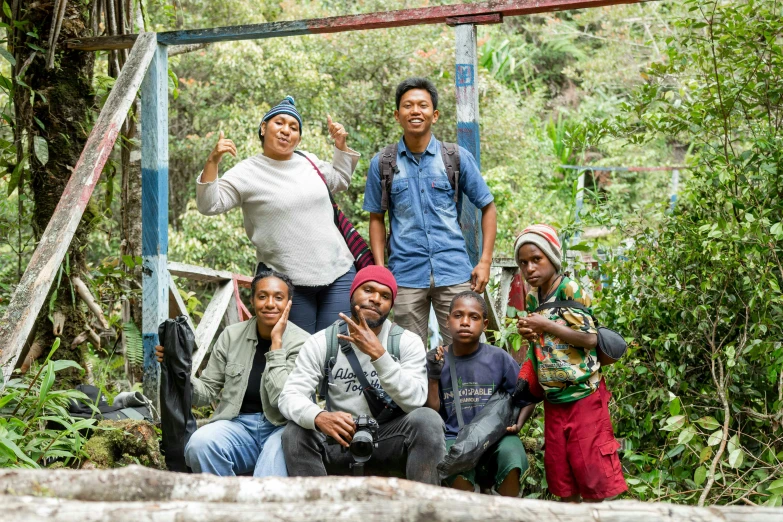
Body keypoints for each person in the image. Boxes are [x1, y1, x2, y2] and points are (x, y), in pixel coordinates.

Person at [196, 95, 360, 334]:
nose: (286, 131)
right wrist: (213, 161)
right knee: (298, 356)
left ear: (299, 137)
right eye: (279, 123)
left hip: (339, 272)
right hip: (286, 281)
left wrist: (341, 146)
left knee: (334, 350)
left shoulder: (308, 161)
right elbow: (210, 205)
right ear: (263, 128)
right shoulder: (247, 172)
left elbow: (341, 180)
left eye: (293, 127)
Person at [362, 77, 497, 349]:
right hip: (405, 276)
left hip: (455, 272)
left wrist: (484, 262)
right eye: (407, 105)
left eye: (422, 105)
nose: (415, 111)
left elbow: (488, 206)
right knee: (408, 356)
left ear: (434, 115)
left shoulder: (455, 157)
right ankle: (423, 395)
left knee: (464, 351)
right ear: (397, 115)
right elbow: (376, 217)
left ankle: (461, 395)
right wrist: (379, 268)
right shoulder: (383, 163)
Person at [279, 265, 445, 483]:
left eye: (385, 296)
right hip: (342, 438)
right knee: (295, 434)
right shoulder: (322, 342)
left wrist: (379, 354)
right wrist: (319, 417)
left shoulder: (407, 342)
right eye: (368, 290)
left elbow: (415, 401)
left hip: (388, 438)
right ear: (352, 293)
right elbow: (289, 395)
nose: (376, 299)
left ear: (391, 306)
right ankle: (319, 509)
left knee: (428, 420)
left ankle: (425, 511)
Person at [511, 224, 627, 502]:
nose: (530, 268)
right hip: (554, 400)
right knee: (561, 475)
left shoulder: (569, 288)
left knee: (592, 475)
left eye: (536, 259)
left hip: (584, 396)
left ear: (552, 258)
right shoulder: (531, 297)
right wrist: (530, 331)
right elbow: (539, 351)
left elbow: (589, 339)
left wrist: (545, 325)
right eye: (523, 263)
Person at [155, 270, 309, 477]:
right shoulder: (231, 336)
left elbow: (283, 398)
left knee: (271, 469)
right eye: (262, 296)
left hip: (282, 429)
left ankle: (258, 507)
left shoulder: (304, 342)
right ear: (253, 300)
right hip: (238, 426)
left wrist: (277, 344)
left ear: (289, 303)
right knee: (199, 445)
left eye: (278, 297)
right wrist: (178, 367)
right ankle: (228, 502)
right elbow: (206, 392)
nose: (270, 303)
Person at [425, 291, 529, 496]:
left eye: (474, 317)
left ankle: (509, 510)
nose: (465, 322)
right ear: (447, 321)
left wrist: (519, 425)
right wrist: (433, 376)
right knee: (453, 462)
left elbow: (527, 395)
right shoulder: (438, 359)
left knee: (513, 454)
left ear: (485, 324)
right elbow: (432, 411)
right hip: (455, 437)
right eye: (458, 315)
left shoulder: (498, 358)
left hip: (496, 437)